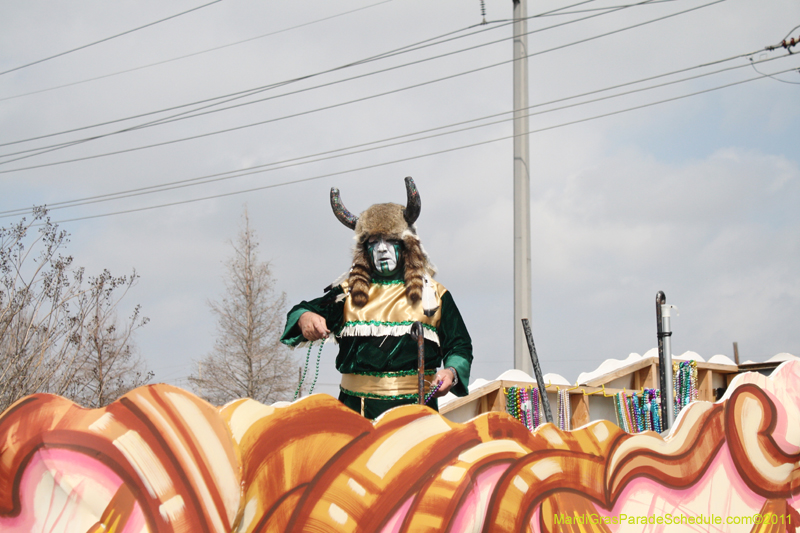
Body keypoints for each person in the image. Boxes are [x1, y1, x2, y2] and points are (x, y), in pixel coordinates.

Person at [281, 177, 473, 419]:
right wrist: (306, 318)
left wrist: (452, 372)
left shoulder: (434, 294)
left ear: (407, 245)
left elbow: (459, 345)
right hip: (355, 413)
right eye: (373, 241)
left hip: (417, 413)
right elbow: (302, 310)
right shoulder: (346, 293)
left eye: (390, 240)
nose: (382, 248)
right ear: (364, 249)